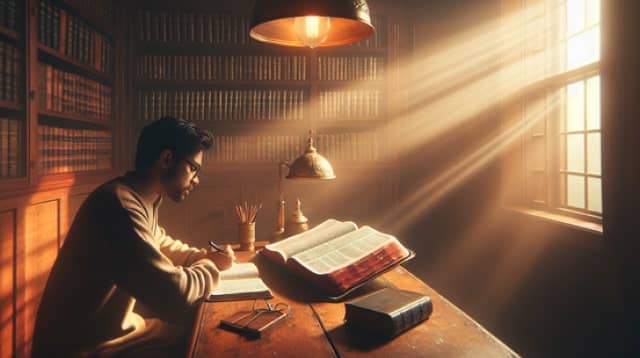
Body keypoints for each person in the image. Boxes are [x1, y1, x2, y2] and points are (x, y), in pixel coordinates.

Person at [32, 117, 235, 357]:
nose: (197, 179)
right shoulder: (119, 205)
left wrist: (201, 256)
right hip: (83, 348)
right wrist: (210, 265)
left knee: (201, 332)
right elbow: (173, 296)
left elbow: (159, 242)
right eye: (193, 168)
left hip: (112, 332)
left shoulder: (139, 195)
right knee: (212, 343)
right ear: (167, 159)